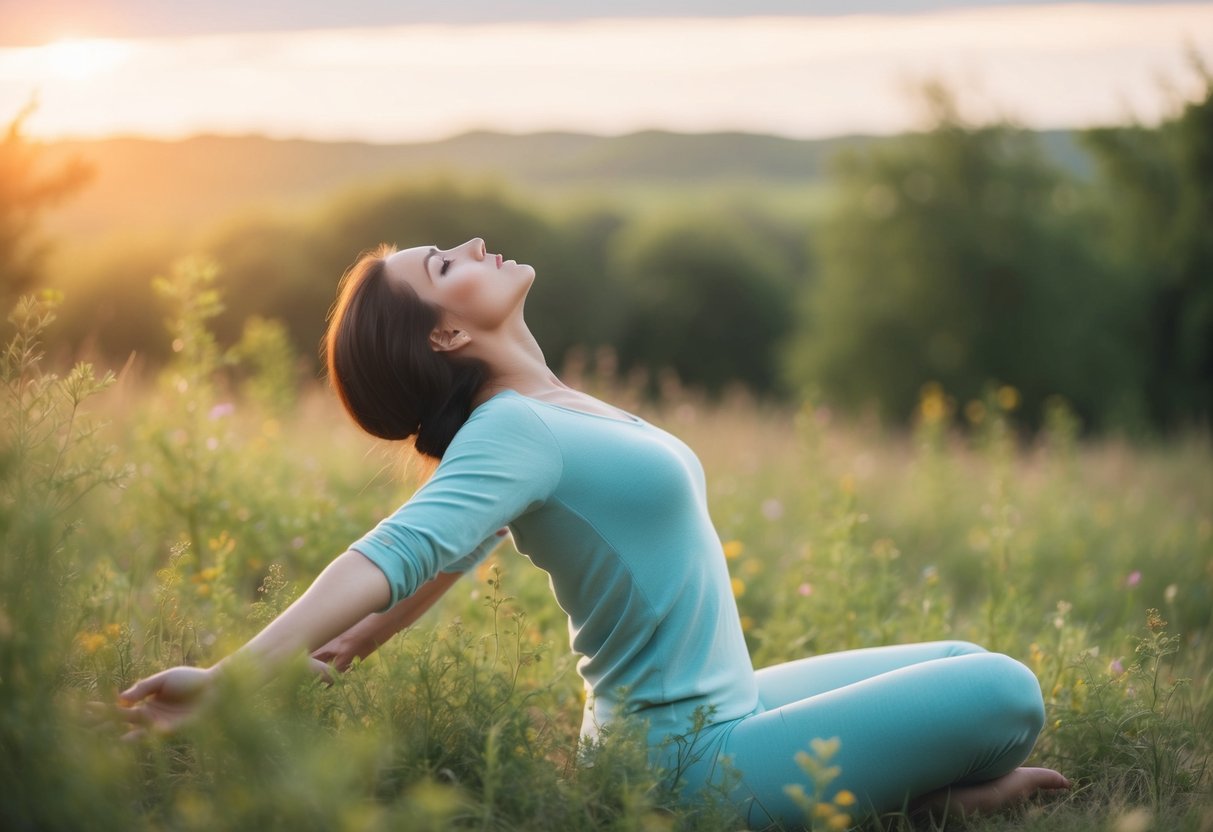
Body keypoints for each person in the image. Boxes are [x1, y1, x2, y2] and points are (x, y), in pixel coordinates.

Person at [119, 237, 1071, 828]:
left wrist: (357, 643)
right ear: (444, 337)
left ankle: (909, 801)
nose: (473, 244)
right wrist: (233, 683)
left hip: (720, 711)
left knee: (959, 655)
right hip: (685, 768)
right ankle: (921, 806)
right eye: (443, 265)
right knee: (1004, 690)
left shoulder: (539, 411)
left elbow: (455, 548)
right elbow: (398, 548)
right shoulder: (516, 428)